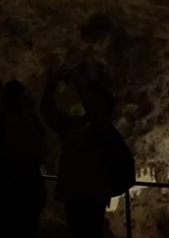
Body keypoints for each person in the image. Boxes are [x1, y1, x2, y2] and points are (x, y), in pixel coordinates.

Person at [41, 66, 134, 238]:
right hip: (85, 194)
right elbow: (49, 113)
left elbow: (50, 113)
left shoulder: (99, 131)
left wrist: (69, 83)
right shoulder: (84, 129)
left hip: (87, 194)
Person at [0, 80, 46, 238]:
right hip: (30, 182)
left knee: (4, 227)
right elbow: (41, 148)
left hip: (4, 183)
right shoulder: (32, 120)